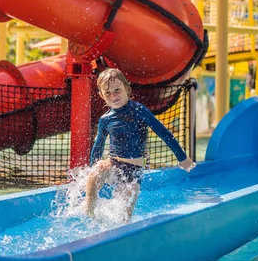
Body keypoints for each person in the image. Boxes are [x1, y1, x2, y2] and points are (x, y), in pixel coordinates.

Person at [84, 68, 196, 221]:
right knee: (93, 175)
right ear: (101, 95)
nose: (113, 96)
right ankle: (88, 215)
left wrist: (183, 158)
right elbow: (98, 145)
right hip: (113, 163)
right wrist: (93, 167)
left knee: (124, 216)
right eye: (108, 93)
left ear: (126, 88)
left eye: (117, 90)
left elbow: (164, 133)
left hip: (133, 171)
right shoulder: (106, 119)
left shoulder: (139, 110)